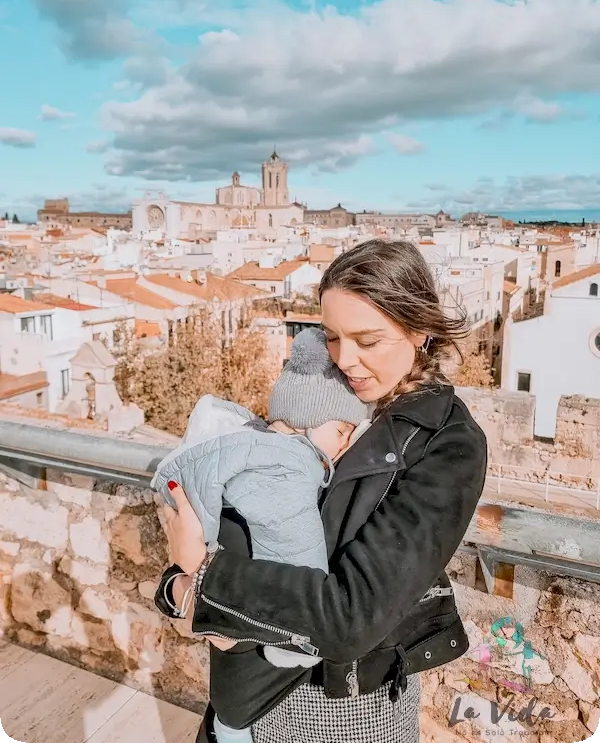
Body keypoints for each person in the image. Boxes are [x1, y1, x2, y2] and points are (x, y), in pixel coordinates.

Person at [155, 238, 488, 743]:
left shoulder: (448, 447)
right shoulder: (326, 393)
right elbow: (249, 509)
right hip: (246, 695)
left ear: (420, 331)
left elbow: (350, 619)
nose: (346, 359)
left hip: (343, 712)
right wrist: (181, 583)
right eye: (332, 336)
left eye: (367, 340)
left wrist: (196, 580)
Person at [151, 327, 372, 743]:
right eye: (342, 432)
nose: (342, 447)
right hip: (257, 684)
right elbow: (297, 548)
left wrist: (189, 578)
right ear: (311, 420)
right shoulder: (286, 469)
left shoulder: (242, 446)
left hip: (231, 668)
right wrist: (299, 644)